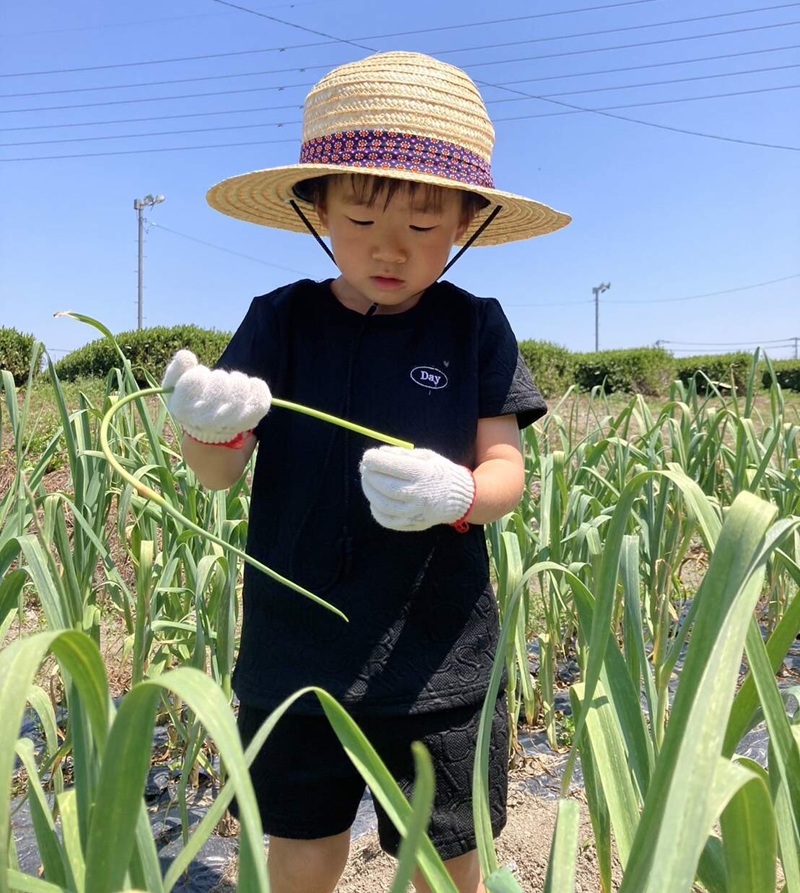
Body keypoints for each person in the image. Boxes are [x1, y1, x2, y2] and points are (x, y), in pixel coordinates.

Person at [162, 50, 570, 893]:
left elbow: (506, 474)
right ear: (313, 206)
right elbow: (214, 474)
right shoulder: (281, 321)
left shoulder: (474, 329)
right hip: (294, 653)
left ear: (465, 222)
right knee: (300, 853)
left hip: (436, 660)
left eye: (424, 228)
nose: (390, 248)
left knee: (447, 860)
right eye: (360, 220)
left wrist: (457, 493)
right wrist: (204, 425)